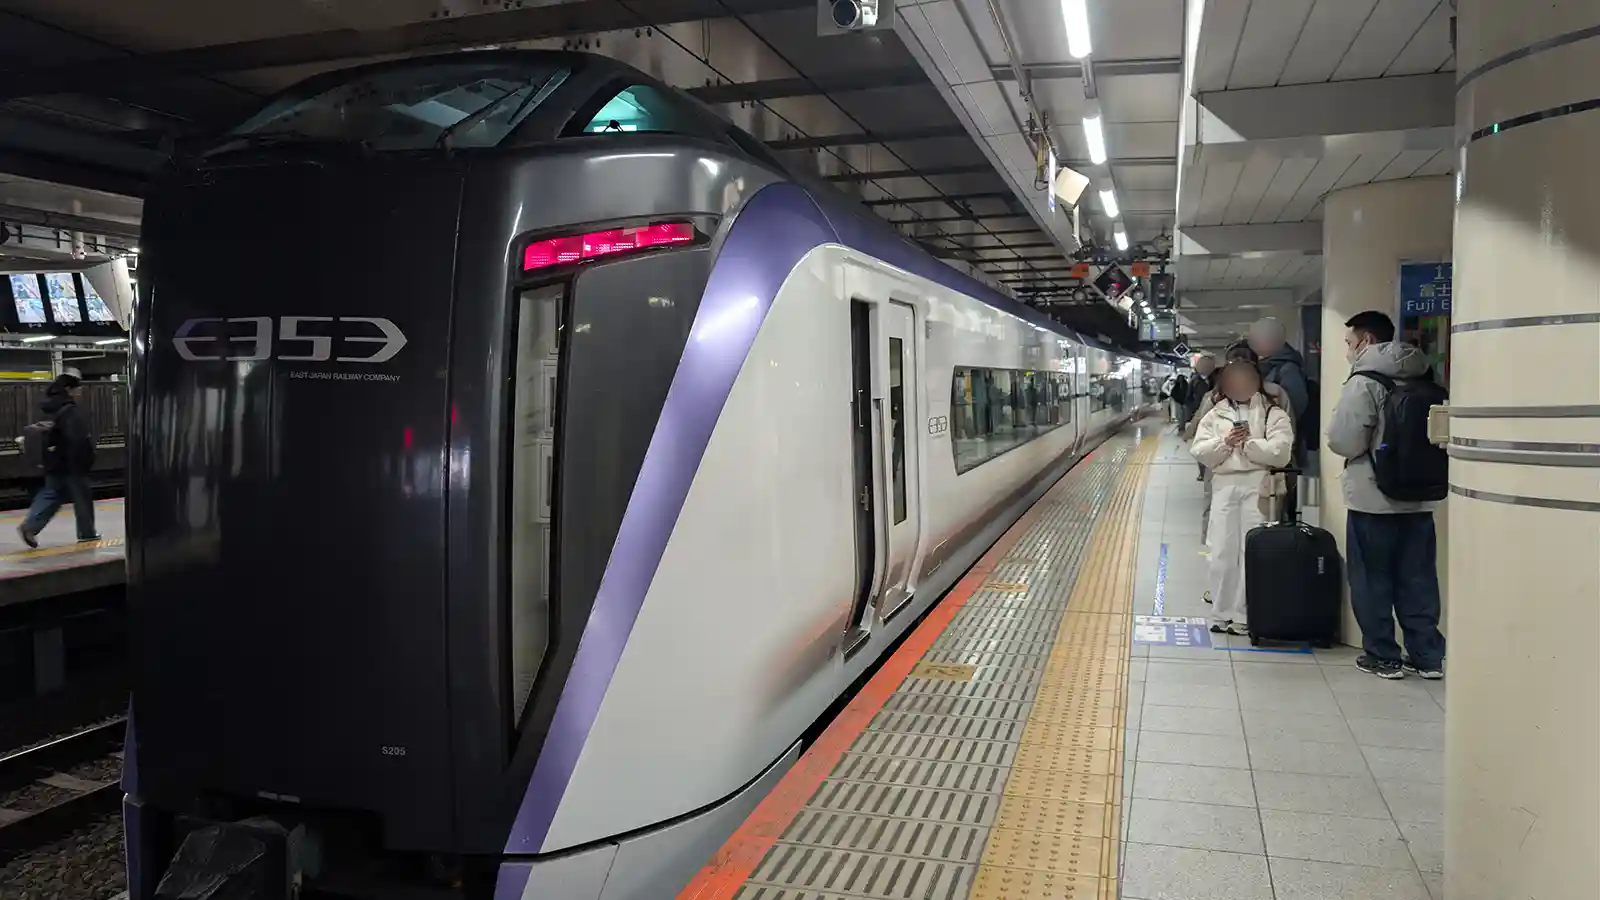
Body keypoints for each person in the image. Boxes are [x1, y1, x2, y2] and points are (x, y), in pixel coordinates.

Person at [1327, 310, 1445, 680]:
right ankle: (1426, 657)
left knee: (1372, 578)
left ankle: (1384, 656)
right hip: (1419, 497)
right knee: (1419, 578)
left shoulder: (1365, 381)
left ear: (1366, 340)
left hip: (1372, 499)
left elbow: (1344, 440)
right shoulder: (1426, 374)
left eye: (1349, 342)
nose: (1348, 350)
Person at [1190, 359, 1294, 635]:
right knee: (1221, 550)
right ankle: (1221, 611)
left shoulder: (1274, 414)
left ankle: (1246, 613)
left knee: (1253, 549)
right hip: (1224, 484)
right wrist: (1225, 443)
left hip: (1259, 485)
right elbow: (1199, 450)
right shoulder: (1215, 414)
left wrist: (1249, 444)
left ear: (1256, 382)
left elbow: (1281, 452)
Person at [18, 372, 100, 547]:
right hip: (72, 463)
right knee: (83, 499)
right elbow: (77, 438)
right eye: (78, 389)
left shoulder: (49, 406)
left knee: (51, 494)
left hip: (53, 460)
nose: (80, 393)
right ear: (69, 389)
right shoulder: (70, 409)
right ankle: (87, 534)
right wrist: (86, 459)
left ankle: (30, 526)